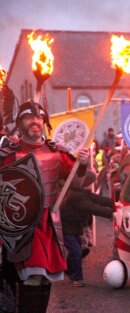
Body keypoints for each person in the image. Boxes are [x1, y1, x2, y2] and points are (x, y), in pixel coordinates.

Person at [0, 100, 89, 313]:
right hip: (20, 227)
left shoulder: (56, 152)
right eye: (29, 117)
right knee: (30, 276)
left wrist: (82, 163)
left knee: (43, 279)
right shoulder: (9, 153)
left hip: (49, 225)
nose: (35, 122)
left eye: (39, 117)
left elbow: (76, 180)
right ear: (19, 123)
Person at [60, 171, 114, 287]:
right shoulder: (76, 196)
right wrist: (110, 213)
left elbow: (97, 199)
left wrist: (114, 204)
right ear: (86, 183)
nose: (93, 184)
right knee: (76, 251)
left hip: (74, 226)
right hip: (66, 227)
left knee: (76, 251)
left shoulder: (81, 192)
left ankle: (68, 270)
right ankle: (77, 278)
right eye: (92, 182)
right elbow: (93, 207)